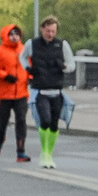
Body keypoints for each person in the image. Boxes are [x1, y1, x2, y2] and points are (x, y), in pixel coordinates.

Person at [27, 16, 71, 169]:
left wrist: (64, 66)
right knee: (44, 120)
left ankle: (49, 154)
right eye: (47, 30)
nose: (50, 34)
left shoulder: (62, 45)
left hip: (57, 91)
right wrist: (27, 68)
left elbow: (72, 65)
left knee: (54, 124)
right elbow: (21, 57)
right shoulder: (32, 44)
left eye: (53, 31)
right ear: (42, 29)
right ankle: (43, 152)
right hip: (41, 90)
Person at [0, 24, 31, 160]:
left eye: (16, 34)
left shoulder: (25, 50)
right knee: (3, 121)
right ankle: (0, 140)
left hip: (21, 93)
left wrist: (31, 78)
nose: (14, 37)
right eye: (11, 34)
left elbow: (31, 67)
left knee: (21, 121)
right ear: (5, 36)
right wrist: (4, 75)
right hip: (5, 94)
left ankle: (21, 150)